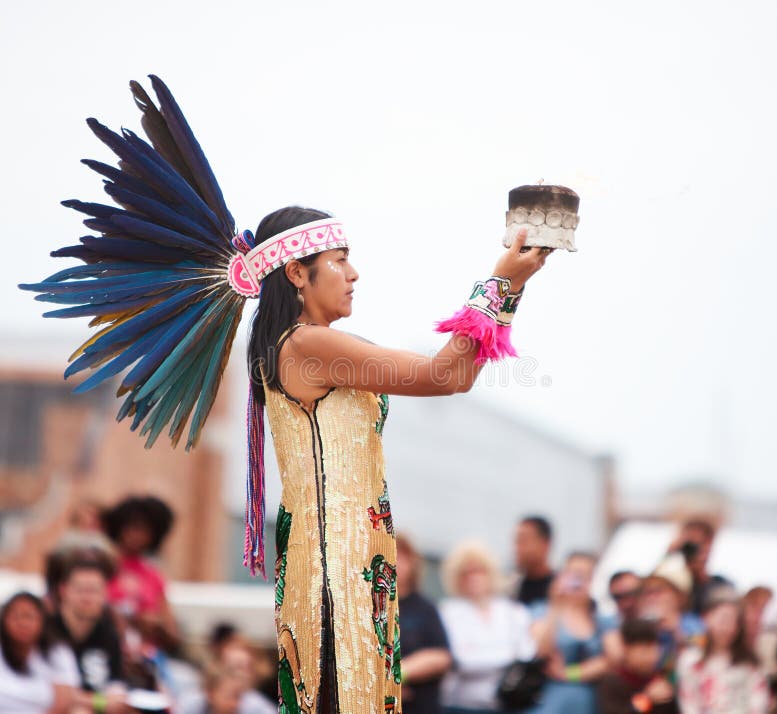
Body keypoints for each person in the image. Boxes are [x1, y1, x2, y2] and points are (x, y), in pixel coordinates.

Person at [21, 75, 553, 713]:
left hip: (350, 558)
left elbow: (453, 375)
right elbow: (443, 375)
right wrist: (500, 280)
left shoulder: (307, 345)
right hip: (336, 565)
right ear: (297, 274)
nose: (355, 273)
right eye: (340, 260)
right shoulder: (307, 345)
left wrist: (509, 288)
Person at [439, 541, 536, 713]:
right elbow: (463, 660)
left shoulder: (513, 611)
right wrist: (506, 658)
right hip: (461, 705)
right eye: (466, 573)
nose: (473, 578)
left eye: (479, 570)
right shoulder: (448, 612)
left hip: (508, 703)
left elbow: (527, 654)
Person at [527, 552, 621, 714]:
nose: (578, 581)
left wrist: (569, 673)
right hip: (550, 699)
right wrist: (556, 607)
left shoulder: (601, 619)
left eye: (584, 576)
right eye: (573, 574)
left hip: (589, 700)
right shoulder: (542, 611)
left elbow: (615, 658)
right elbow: (540, 651)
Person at [50, 553, 128, 711]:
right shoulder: (47, 632)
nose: (87, 598)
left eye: (94, 591)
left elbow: (116, 684)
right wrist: (101, 703)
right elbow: (52, 692)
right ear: (63, 590)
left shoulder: (108, 633)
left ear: (104, 594)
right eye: (81, 590)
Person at [102, 495, 179, 650]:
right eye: (133, 528)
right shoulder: (103, 566)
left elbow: (173, 634)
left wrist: (156, 626)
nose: (138, 536)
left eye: (146, 531)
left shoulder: (154, 575)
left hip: (145, 655)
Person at [677, 593, 769, 714]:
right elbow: (688, 701)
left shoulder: (749, 662)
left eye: (734, 622)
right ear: (706, 618)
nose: (728, 627)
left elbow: (758, 701)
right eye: (723, 620)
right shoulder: (690, 659)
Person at [396, 533, 452, 714]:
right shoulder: (367, 607)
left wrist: (398, 676)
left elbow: (441, 657)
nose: (395, 564)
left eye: (401, 558)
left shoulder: (425, 609)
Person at [0, 591, 81, 713]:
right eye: (15, 617)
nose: (22, 623)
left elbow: (65, 700)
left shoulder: (58, 652)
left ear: (42, 620)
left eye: (29, 617)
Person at [637, 553, 704, 683]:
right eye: (647, 592)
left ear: (679, 596)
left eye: (658, 591)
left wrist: (675, 630)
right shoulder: (642, 624)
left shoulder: (693, 624)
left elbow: (699, 654)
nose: (651, 597)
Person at [597, 618, 677, 714]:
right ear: (626, 649)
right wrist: (646, 700)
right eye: (644, 651)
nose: (651, 657)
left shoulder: (661, 678)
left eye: (654, 649)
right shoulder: (612, 683)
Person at [671, 520, 733, 615]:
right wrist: (669, 555)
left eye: (700, 544)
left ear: (709, 546)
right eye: (689, 544)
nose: (693, 550)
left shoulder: (721, 585)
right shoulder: (672, 581)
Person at [515, 517, 556, 608]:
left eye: (523, 541)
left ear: (545, 544)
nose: (517, 548)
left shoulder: (559, 591)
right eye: (516, 542)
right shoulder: (511, 591)